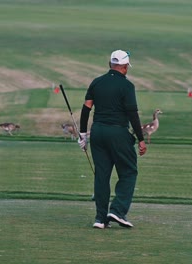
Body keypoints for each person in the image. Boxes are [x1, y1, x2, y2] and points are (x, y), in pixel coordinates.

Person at [78, 49, 147, 229]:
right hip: (118, 133)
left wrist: (83, 134)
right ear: (124, 67)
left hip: (98, 133)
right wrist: (141, 138)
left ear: (110, 64)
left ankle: (100, 219)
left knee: (101, 175)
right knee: (129, 172)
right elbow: (132, 113)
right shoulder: (127, 86)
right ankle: (117, 210)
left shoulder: (97, 82)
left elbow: (86, 109)